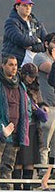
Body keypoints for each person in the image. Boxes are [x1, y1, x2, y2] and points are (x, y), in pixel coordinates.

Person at [0, 55, 32, 189]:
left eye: (15, 65)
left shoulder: (20, 86)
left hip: (15, 133)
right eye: (10, 64)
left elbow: (28, 107)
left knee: (8, 166)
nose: (14, 68)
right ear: (3, 65)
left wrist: (25, 122)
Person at [15, 63, 48, 188]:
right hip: (20, 124)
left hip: (33, 125)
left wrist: (42, 107)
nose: (32, 79)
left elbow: (40, 101)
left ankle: (27, 189)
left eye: (34, 77)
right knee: (19, 159)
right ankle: (17, 189)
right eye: (30, 76)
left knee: (30, 160)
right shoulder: (17, 86)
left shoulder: (35, 87)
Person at [2, 0, 47, 65]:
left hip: (35, 66)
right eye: (24, 5)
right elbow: (20, 39)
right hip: (17, 66)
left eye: (30, 5)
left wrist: (33, 48)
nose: (28, 8)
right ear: (17, 7)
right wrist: (36, 40)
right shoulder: (11, 22)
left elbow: (46, 43)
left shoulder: (37, 23)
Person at [34, 33, 55, 168]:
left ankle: (51, 173)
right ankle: (42, 171)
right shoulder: (40, 57)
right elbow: (49, 68)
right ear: (46, 44)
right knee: (44, 144)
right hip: (46, 107)